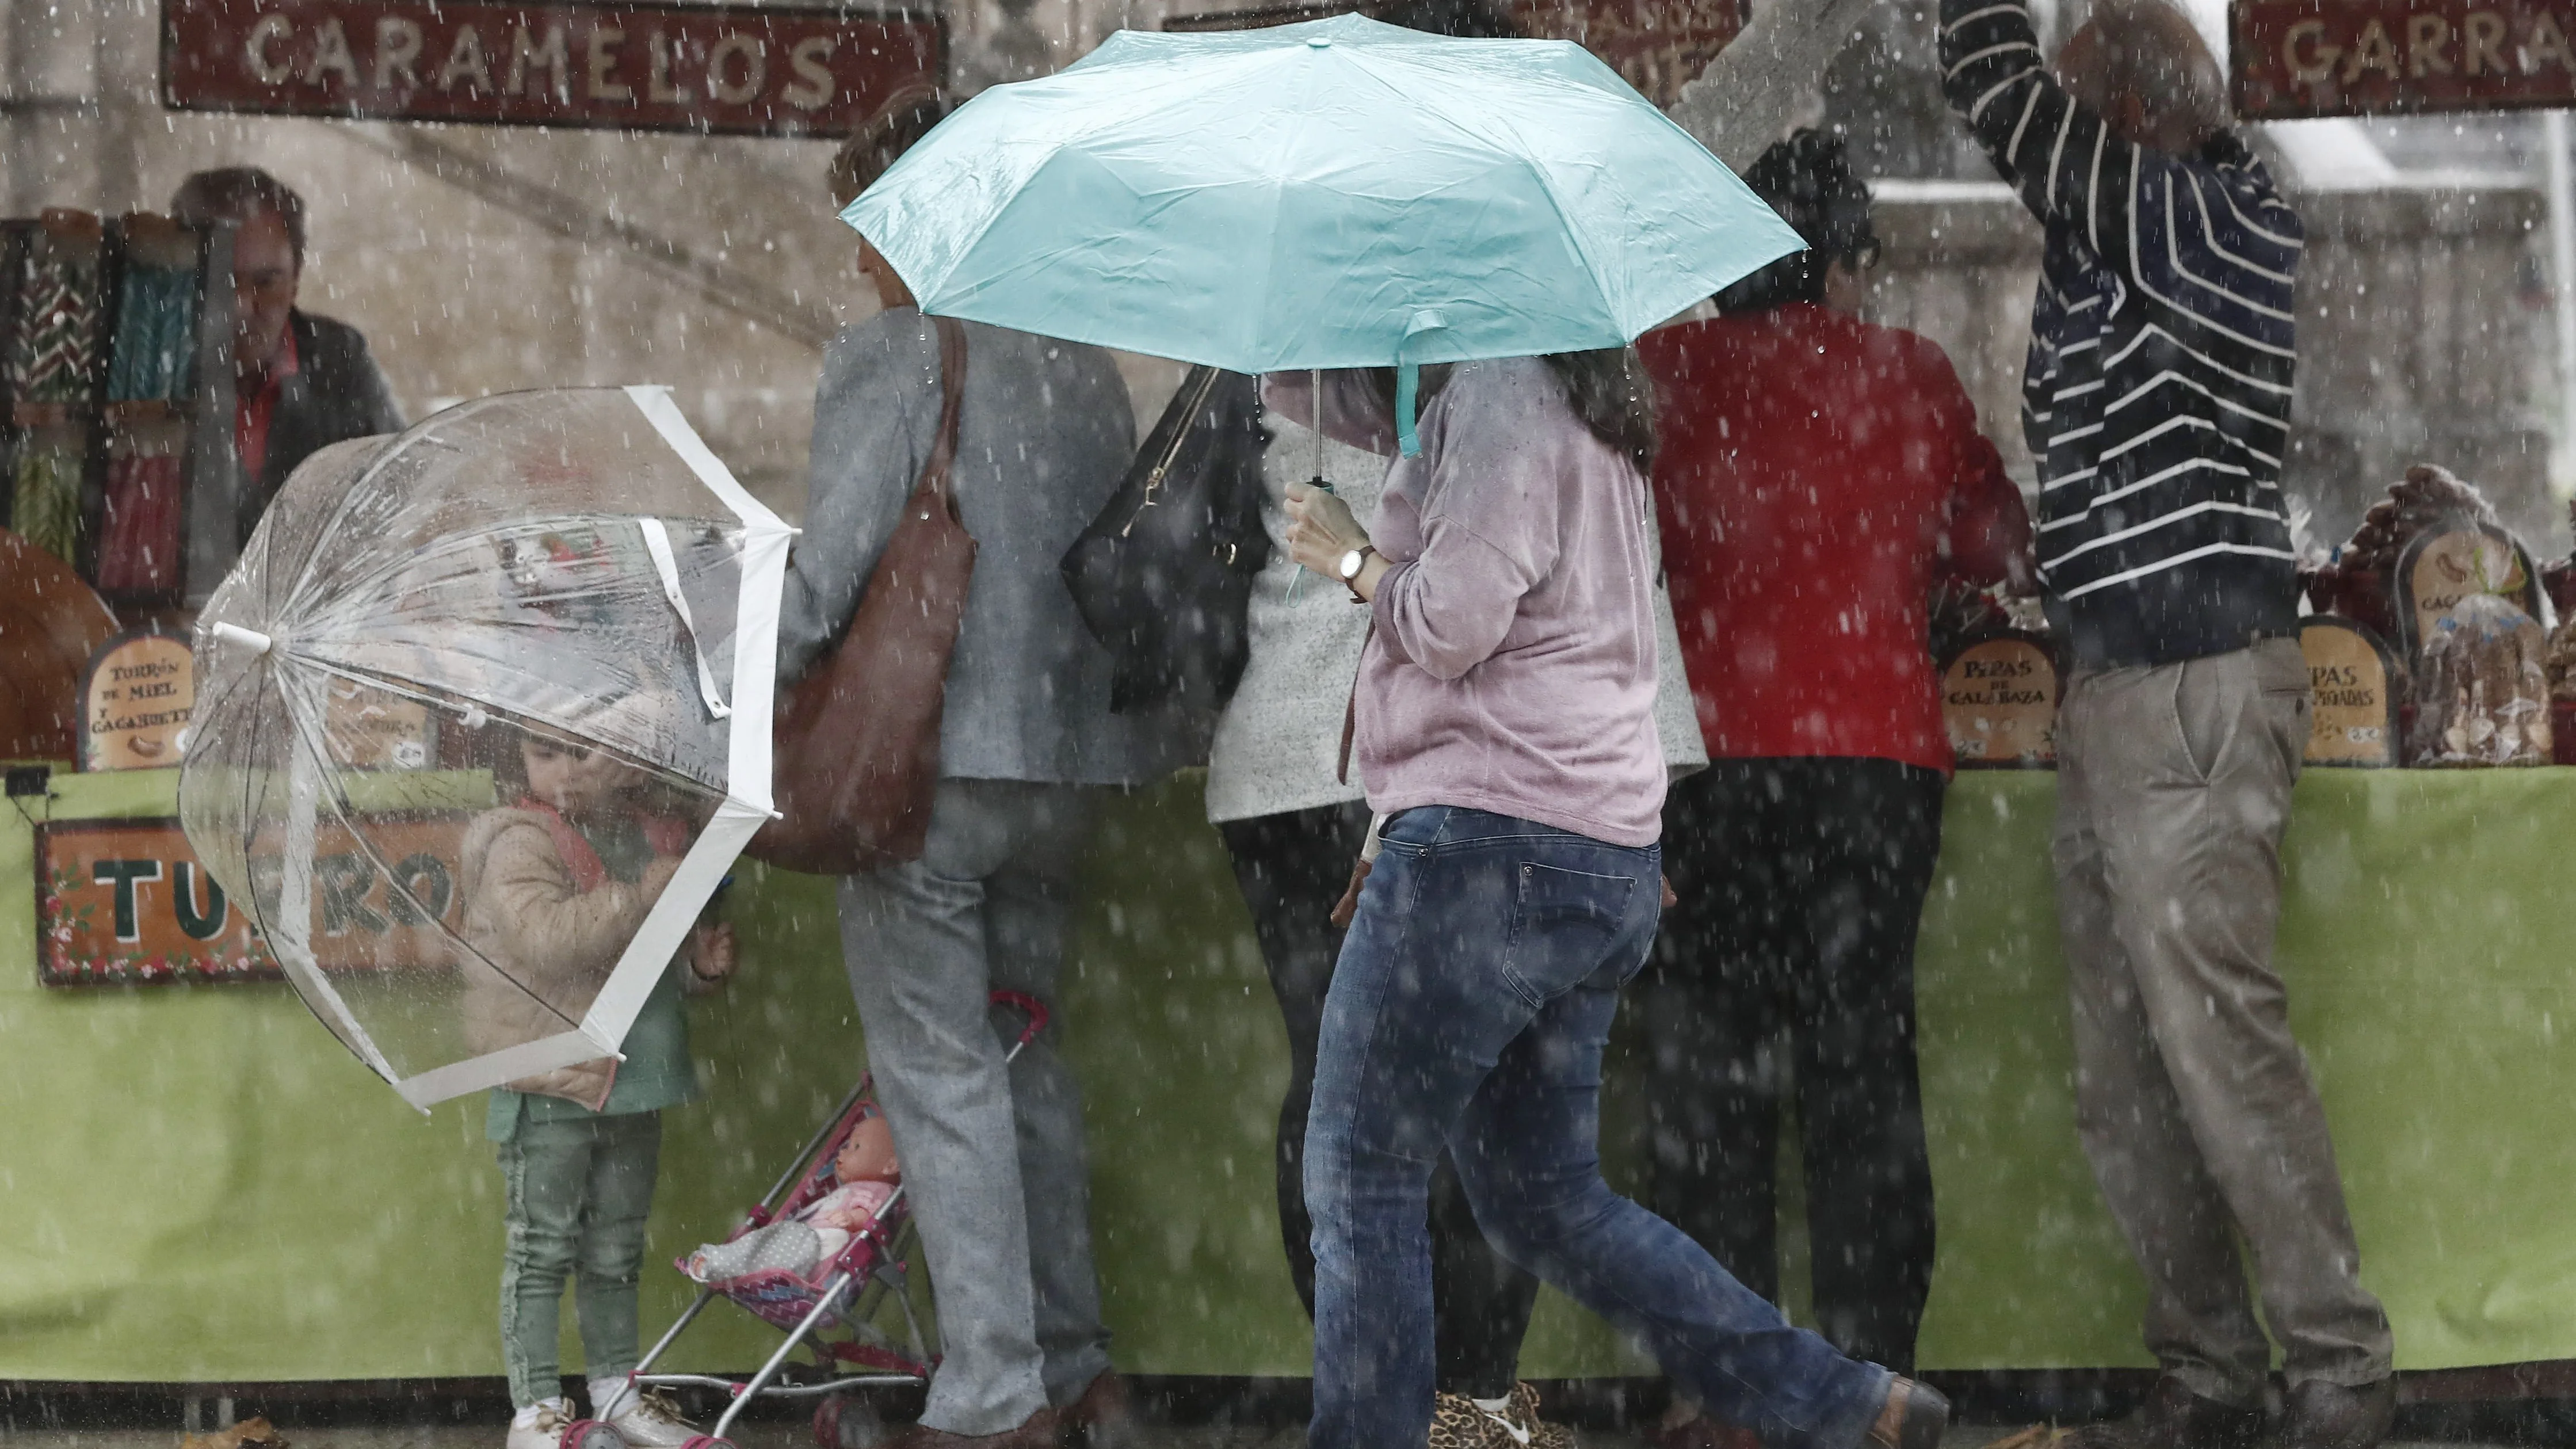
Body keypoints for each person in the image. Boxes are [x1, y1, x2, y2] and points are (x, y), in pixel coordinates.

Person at [1269, 354, 1950, 1449]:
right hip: (1585, 852)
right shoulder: (1581, 394)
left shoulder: (1498, 390)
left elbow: (1449, 623)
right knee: (1546, 1198)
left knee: (1358, 1166)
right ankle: (1843, 1401)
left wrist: (1348, 553)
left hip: (1485, 849)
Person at [1937, 4, 2396, 1448]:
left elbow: (1992, 88)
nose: (2052, 147)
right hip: (2120, 684)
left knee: (2211, 1043)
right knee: (2126, 1074)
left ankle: (2335, 1364)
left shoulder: (2197, 212)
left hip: (2192, 675)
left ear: (2120, 115)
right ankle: (2208, 1373)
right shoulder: (2129, 234)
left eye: (2079, 114)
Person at [779, 96, 1181, 1449]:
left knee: (940, 1071)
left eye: (871, 226)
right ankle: (1080, 1371)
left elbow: (817, 583)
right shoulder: (1084, 365)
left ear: (923, 216)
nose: (858, 264)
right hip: (1062, 774)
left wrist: (706, 639)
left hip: (930, 771)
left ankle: (992, 1396)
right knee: (1025, 1057)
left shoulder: (899, 355)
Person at [1631, 130, 2033, 1449]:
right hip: (1875, 762)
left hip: (1708, 764)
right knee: (1860, 1067)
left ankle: (1721, 1382)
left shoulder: (1661, 377)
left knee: (1707, 1078)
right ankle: (1869, 1373)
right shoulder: (1906, 372)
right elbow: (1990, 539)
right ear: (1842, 260)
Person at [457, 727, 736, 1449]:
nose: (567, 772)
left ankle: (615, 1389)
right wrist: (644, 891)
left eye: (585, 751)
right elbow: (548, 941)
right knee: (542, 1246)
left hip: (637, 1074)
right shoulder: (519, 841)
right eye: (544, 753)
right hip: (556, 1078)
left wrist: (698, 968)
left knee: (616, 1248)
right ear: (514, 761)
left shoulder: (644, 834)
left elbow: (648, 952)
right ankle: (538, 1408)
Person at [169, 167, 403, 559]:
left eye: (266, 282)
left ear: (296, 280)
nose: (243, 306)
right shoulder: (149, 373)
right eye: (221, 280)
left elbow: (399, 495)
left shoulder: (339, 361)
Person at [684, 1109, 903, 1283]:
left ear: (890, 1165)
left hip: (817, 1252)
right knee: (767, 1241)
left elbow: (874, 1215)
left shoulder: (879, 1190)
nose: (843, 1152)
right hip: (801, 1248)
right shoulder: (849, 1188)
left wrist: (855, 1219)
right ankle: (724, 1262)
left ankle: (720, 1264)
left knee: (776, 1242)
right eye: (846, 1145)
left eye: (856, 1147)